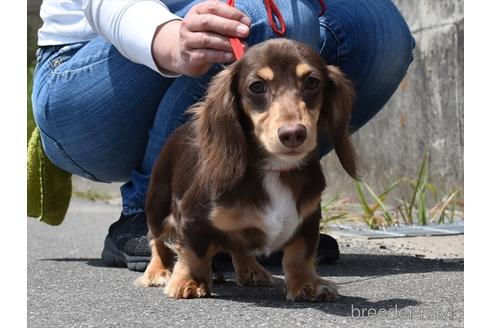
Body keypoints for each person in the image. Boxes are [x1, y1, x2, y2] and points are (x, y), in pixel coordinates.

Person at [32, 0, 415, 271]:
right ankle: (160, 215)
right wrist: (172, 40)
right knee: (265, 15)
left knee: (379, 31)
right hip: (84, 89)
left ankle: (262, 210)